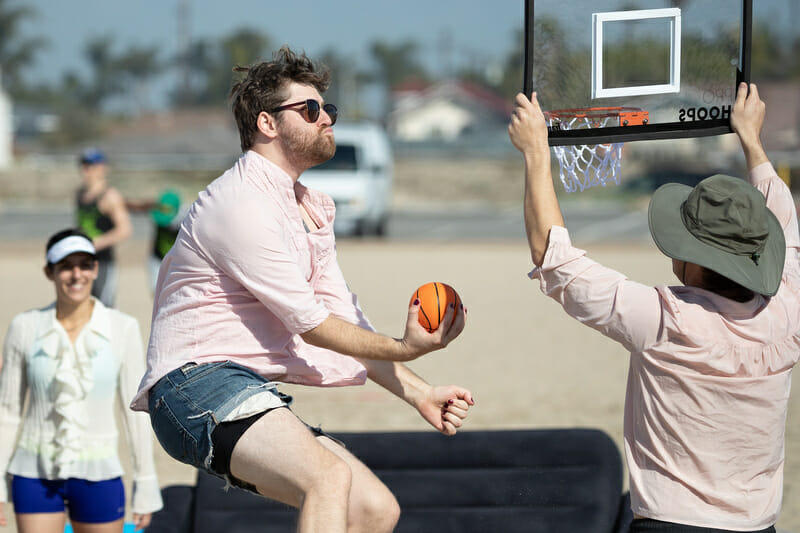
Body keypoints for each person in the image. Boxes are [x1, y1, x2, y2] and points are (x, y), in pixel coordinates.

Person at [131, 46, 473, 533]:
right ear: (268, 124)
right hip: (191, 387)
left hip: (239, 385)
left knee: (376, 510)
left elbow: (345, 324)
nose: (326, 119)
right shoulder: (242, 206)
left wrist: (419, 392)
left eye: (327, 109)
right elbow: (313, 327)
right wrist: (405, 349)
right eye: (310, 111)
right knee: (328, 478)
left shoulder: (311, 207)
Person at [508, 83, 799, 533]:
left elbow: (555, 259)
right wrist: (753, 140)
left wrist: (536, 153)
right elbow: (787, 228)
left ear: (691, 260)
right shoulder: (787, 309)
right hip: (760, 526)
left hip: (671, 524)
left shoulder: (666, 321)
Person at [0, 229, 163, 533]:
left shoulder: (123, 328)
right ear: (49, 272)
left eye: (85, 265)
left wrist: (145, 483)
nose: (77, 275)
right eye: (66, 266)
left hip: (99, 473)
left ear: (96, 269)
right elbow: (7, 413)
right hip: (33, 473)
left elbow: (135, 412)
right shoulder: (23, 327)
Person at [75, 148, 133, 307]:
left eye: (90, 165)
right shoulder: (81, 194)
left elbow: (124, 230)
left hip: (103, 263)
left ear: (102, 168)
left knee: (104, 308)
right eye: (83, 165)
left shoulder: (110, 196)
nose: (85, 170)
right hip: (81, 261)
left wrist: (95, 243)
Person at [126, 189, 188, 293]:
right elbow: (138, 207)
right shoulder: (155, 209)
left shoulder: (187, 217)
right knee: (157, 292)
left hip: (179, 260)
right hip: (157, 258)